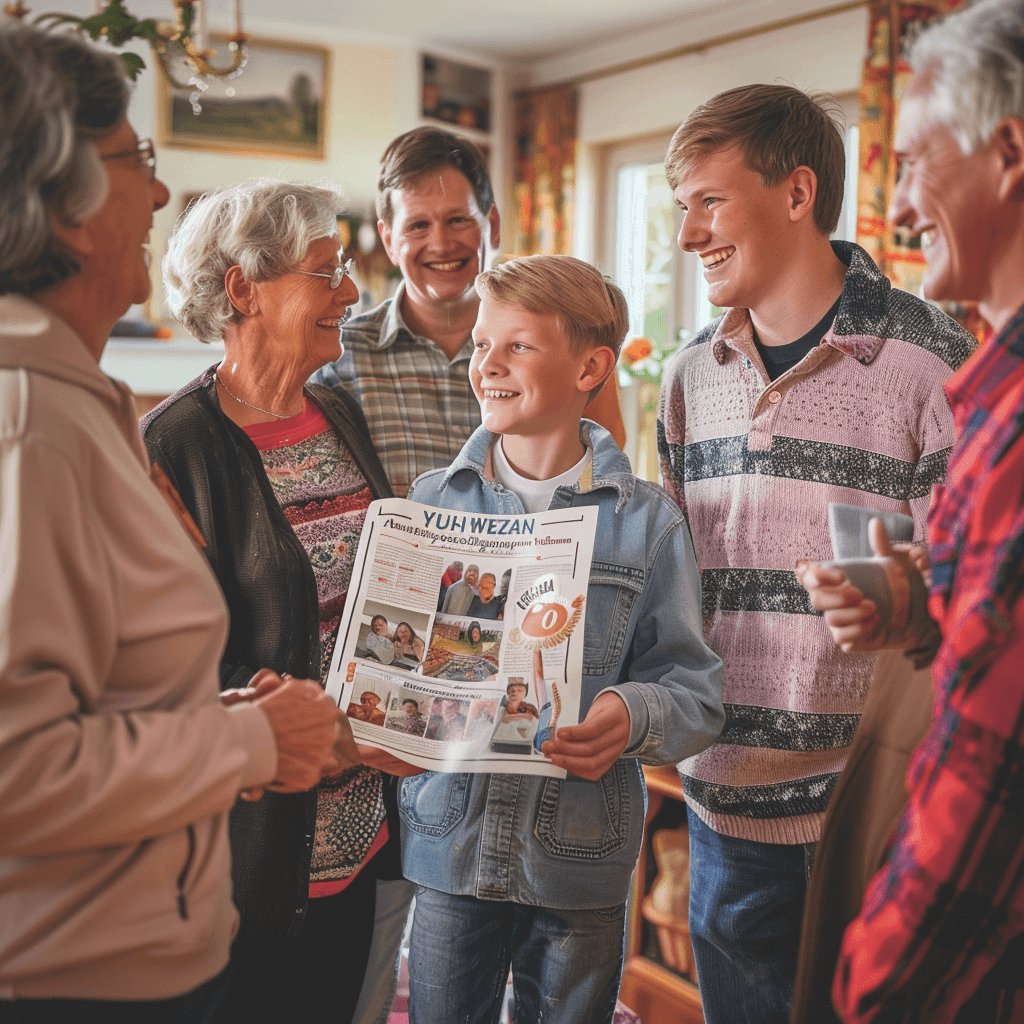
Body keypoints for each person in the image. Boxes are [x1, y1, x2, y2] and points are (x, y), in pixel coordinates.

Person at [0, 25, 343, 1019]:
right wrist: (253, 743)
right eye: (135, 161)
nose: (158, 195)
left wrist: (232, 720)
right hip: (74, 978)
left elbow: (95, 697)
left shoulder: (77, 401)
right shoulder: (32, 425)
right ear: (57, 199)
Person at [656, 83, 976, 1024]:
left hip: (878, 807)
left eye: (709, 202)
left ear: (797, 194)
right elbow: (677, 595)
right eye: (682, 208)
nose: (689, 236)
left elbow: (977, 594)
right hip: (724, 810)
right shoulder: (687, 379)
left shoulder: (931, 358)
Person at [402, 254, 724, 1024]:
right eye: (482, 345)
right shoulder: (425, 505)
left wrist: (628, 712)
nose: (489, 365)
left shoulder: (649, 523)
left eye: (518, 346)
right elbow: (400, 673)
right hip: (450, 850)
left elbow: (695, 694)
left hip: (579, 860)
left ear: (590, 366)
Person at [141, 179, 412, 1024]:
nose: (351, 290)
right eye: (325, 271)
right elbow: (160, 658)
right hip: (246, 851)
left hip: (362, 827)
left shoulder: (338, 413)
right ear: (242, 288)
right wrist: (295, 728)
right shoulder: (174, 443)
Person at [798, 2, 1024, 1017]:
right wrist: (915, 592)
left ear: (1007, 152)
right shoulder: (994, 391)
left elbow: (993, 768)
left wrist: (871, 973)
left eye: (916, 159)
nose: (891, 208)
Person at [311, 126, 625, 499]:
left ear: (491, 226)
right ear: (389, 241)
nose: (441, 244)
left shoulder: (567, 351)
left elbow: (606, 486)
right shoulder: (338, 361)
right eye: (418, 225)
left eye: (458, 219)